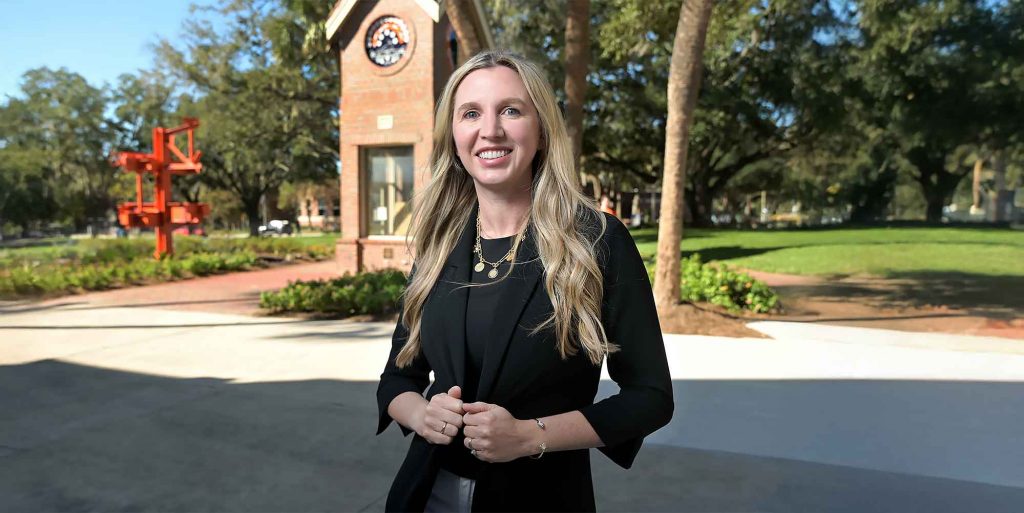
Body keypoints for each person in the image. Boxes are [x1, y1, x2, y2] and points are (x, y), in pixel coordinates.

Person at [376, 50, 673, 512]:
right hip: (425, 491)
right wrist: (422, 414)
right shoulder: (439, 246)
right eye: (470, 113)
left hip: (542, 498)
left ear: (541, 131)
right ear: (453, 135)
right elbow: (397, 379)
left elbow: (650, 398)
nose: (489, 130)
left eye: (510, 110)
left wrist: (528, 436)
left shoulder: (596, 241)